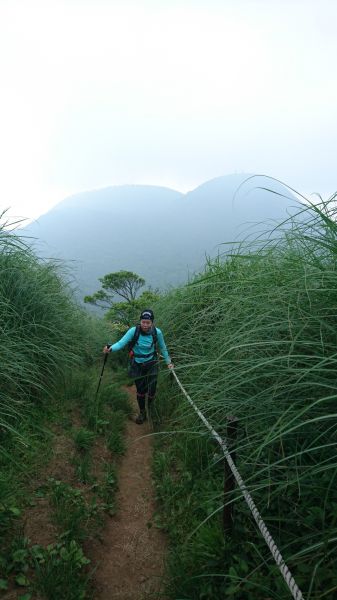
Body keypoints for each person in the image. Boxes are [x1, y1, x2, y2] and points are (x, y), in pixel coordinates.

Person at [103, 309, 173, 424]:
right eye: (143, 322)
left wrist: (168, 362)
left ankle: (150, 409)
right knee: (141, 390)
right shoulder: (133, 331)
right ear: (140, 321)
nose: (145, 325)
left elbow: (163, 347)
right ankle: (142, 412)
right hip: (137, 365)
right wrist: (110, 349)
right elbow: (121, 343)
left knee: (152, 390)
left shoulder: (157, 332)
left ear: (152, 323)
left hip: (152, 363)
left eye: (148, 322)